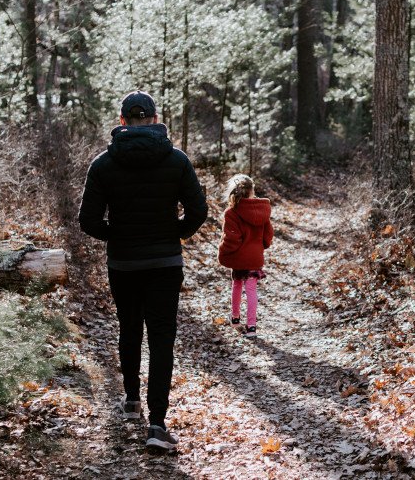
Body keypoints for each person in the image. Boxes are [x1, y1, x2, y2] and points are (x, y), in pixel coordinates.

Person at [78, 90, 208, 450]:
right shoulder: (176, 160)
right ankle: (157, 425)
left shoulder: (103, 163)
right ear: (153, 119)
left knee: (129, 327)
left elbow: (87, 220)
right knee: (162, 337)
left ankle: (131, 401)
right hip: (165, 263)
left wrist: (116, 237)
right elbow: (198, 211)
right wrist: (174, 235)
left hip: (124, 262)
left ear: (122, 121)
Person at [217, 175, 273, 339]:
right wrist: (260, 246)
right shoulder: (263, 210)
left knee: (237, 285)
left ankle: (235, 318)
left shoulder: (232, 212)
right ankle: (252, 327)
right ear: (252, 191)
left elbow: (231, 240)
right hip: (255, 257)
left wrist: (223, 251)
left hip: (239, 257)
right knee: (251, 290)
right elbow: (268, 235)